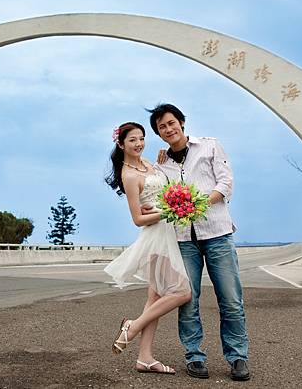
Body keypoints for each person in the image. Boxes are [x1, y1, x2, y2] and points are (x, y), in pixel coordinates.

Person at [146, 103, 250, 381]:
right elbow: (158, 198)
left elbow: (226, 183)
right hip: (182, 239)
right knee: (187, 299)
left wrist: (199, 202)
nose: (168, 129)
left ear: (181, 122)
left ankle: (238, 357)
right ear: (159, 134)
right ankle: (194, 355)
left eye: (171, 123)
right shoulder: (161, 165)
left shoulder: (209, 146)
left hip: (217, 233)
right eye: (162, 127)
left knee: (230, 299)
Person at [104, 121, 191, 375]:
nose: (139, 143)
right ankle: (131, 327)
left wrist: (161, 163)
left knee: (154, 297)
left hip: (167, 234)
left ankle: (144, 358)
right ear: (121, 144)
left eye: (141, 138)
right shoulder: (128, 174)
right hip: (155, 237)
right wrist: (169, 211)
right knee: (182, 292)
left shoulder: (149, 164)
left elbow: (161, 186)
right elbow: (138, 219)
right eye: (132, 140)